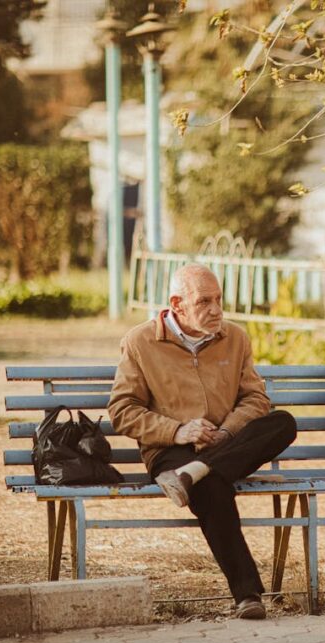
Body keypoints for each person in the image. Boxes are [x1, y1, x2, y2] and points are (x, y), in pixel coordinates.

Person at [108, 263, 297, 620]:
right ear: (177, 304)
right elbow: (122, 410)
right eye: (204, 301)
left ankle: (195, 472)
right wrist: (178, 431)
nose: (216, 310)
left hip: (225, 443)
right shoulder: (140, 341)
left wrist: (226, 431)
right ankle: (248, 595)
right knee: (213, 490)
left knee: (283, 423)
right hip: (170, 450)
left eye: (219, 299)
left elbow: (256, 399)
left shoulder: (235, 337)